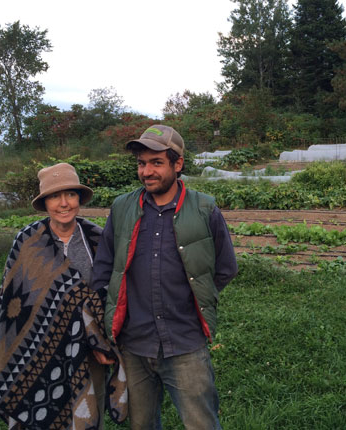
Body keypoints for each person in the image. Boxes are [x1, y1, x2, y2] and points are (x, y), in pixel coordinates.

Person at [92, 125, 238, 430]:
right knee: (142, 424)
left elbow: (225, 267)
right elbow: (104, 267)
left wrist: (197, 298)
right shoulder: (122, 208)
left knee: (202, 423)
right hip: (134, 344)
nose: (147, 172)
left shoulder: (203, 208)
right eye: (141, 163)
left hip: (185, 343)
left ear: (178, 164)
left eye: (156, 163)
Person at [0, 163, 127, 429]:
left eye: (70, 194)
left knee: (88, 414)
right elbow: (12, 301)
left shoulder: (97, 239)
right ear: (45, 202)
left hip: (89, 351)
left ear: (79, 198)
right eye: (55, 196)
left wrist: (103, 343)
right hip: (36, 348)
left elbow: (110, 296)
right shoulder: (28, 241)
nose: (64, 203)